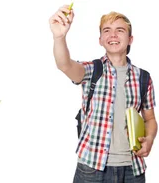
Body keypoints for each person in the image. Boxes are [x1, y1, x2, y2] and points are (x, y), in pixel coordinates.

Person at [49, 4, 157, 182]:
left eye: (119, 30)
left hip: (133, 170)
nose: (113, 35)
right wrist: (59, 37)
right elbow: (64, 64)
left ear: (130, 39)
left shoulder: (144, 77)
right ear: (100, 39)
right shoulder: (92, 70)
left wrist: (150, 139)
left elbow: (150, 119)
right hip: (92, 169)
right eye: (107, 30)